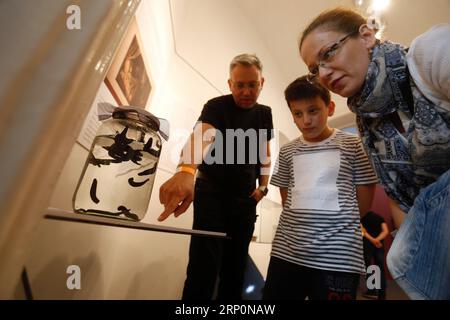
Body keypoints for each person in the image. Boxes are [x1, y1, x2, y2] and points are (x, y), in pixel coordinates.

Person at [299, 8, 450, 299]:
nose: (324, 74)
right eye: (315, 69)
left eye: (328, 53)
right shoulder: (367, 128)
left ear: (367, 37)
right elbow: (402, 201)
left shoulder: (429, 54)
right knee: (402, 258)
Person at [158, 53, 273, 300]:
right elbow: (202, 136)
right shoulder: (216, 106)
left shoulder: (265, 114)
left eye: (252, 85)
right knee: (202, 268)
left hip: (246, 199)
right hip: (211, 195)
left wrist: (263, 187)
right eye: (239, 85)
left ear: (261, 82)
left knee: (235, 269)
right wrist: (187, 170)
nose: (246, 91)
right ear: (230, 84)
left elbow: (265, 154)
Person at [263, 76, 378, 300]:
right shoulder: (287, 152)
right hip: (288, 253)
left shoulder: (354, 145)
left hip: (338, 257)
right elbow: (288, 201)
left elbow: (363, 201)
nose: (306, 120)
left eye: (313, 110)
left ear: (330, 108)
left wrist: (335, 226)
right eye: (298, 113)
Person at [361, 211, 389, 300]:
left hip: (367, 245)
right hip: (379, 245)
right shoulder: (379, 217)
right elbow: (386, 231)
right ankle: (382, 294)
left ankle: (372, 290)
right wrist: (377, 240)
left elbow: (363, 232)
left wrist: (372, 240)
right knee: (380, 269)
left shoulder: (362, 218)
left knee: (369, 267)